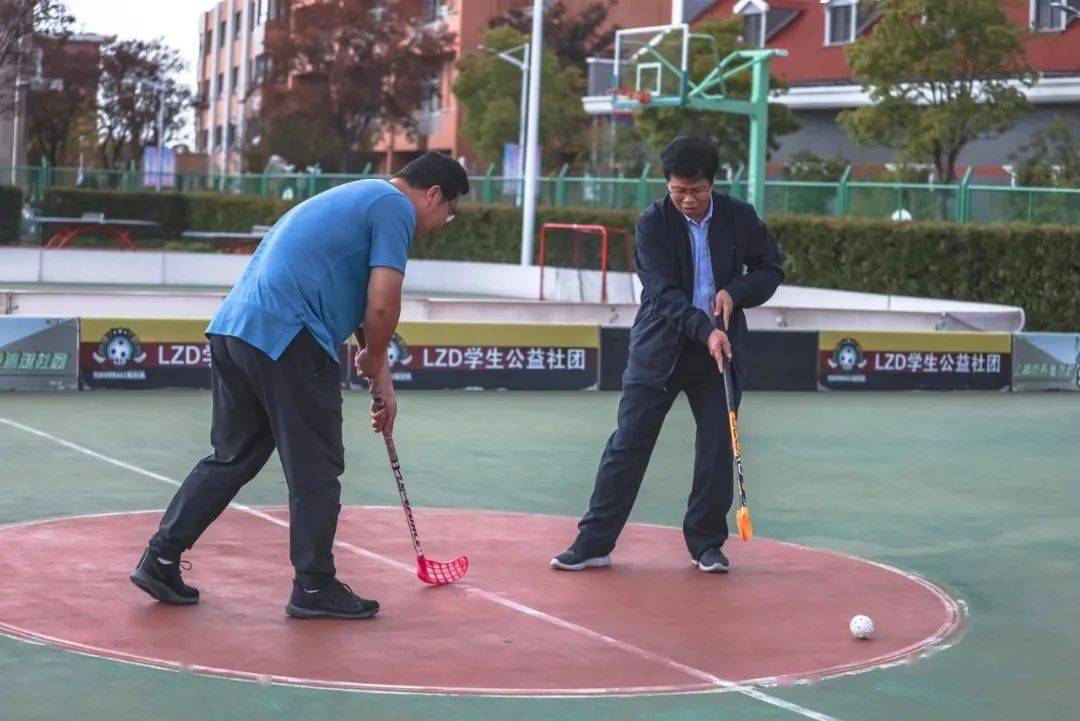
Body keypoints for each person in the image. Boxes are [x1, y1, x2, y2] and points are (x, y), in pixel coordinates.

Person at [130, 151, 469, 618]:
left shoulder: (356, 198)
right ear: (432, 194)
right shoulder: (394, 207)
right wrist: (373, 356)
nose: (439, 222)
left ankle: (160, 557)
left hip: (237, 329)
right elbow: (384, 304)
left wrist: (381, 377)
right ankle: (313, 585)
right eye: (446, 213)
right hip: (290, 337)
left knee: (233, 457)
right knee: (316, 467)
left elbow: (348, 297)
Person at [551, 137, 783, 574]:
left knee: (717, 448)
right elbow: (660, 293)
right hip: (660, 349)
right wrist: (704, 329)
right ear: (667, 186)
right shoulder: (653, 223)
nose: (689, 200)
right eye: (679, 191)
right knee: (628, 445)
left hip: (720, 353)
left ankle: (706, 545)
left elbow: (771, 269)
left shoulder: (739, 218)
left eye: (697, 191)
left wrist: (736, 291)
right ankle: (593, 543)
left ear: (713, 184)